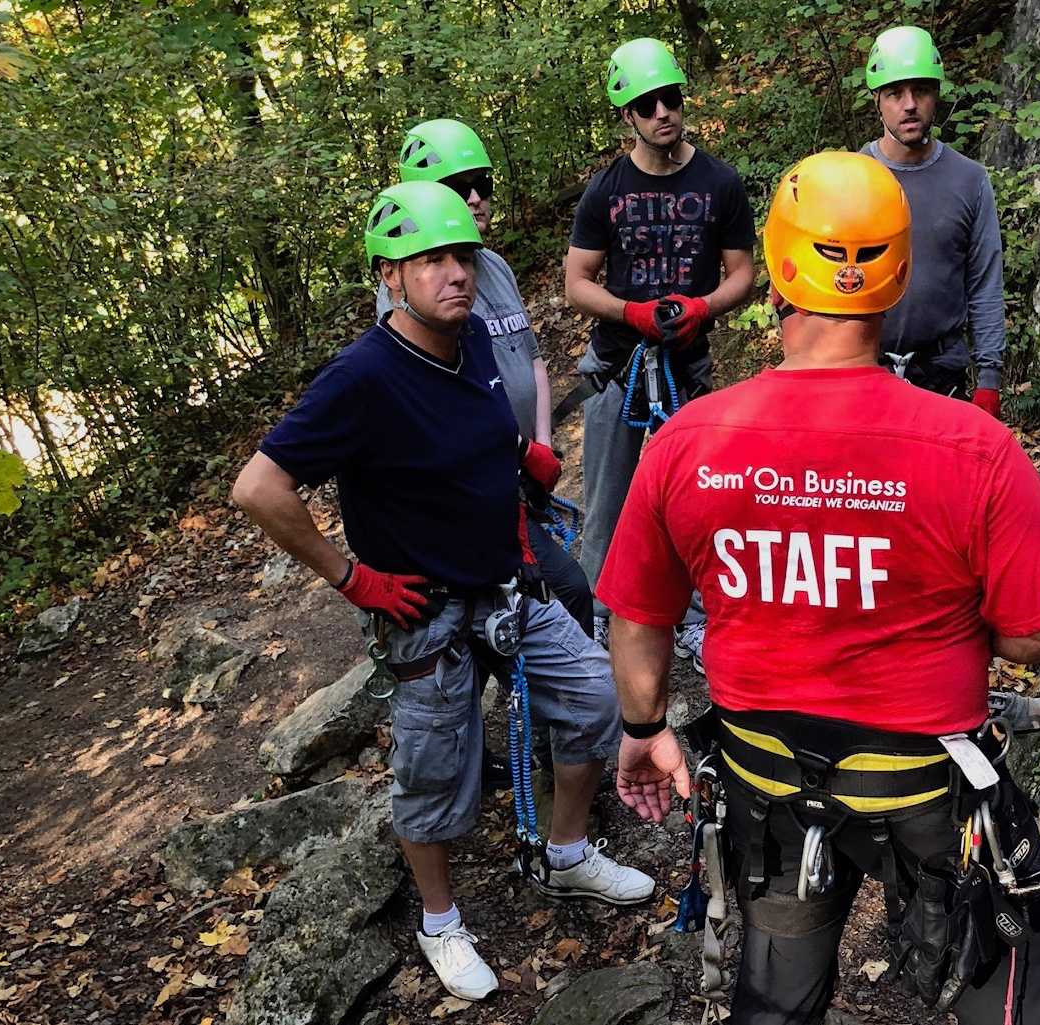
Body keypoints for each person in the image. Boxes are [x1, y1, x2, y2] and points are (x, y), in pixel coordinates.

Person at [596, 152, 1040, 1024]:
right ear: (896, 272)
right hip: (926, 788)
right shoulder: (972, 447)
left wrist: (641, 731)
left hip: (767, 784)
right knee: (1032, 936)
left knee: (777, 986)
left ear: (777, 270)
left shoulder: (687, 441)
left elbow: (639, 613)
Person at [232, 180, 653, 1005]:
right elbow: (258, 487)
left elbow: (461, 445)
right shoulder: (362, 376)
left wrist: (516, 467)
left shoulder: (469, 348)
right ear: (390, 275)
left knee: (599, 697)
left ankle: (564, 851)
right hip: (426, 613)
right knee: (432, 776)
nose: (455, 273)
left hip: (507, 581)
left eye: (462, 256)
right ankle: (439, 919)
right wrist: (352, 577)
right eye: (431, 260)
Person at [564, 36, 756, 662]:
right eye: (646, 105)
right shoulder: (606, 190)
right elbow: (577, 281)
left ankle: (697, 617)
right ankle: (595, 621)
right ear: (628, 116)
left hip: (688, 367)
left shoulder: (719, 182)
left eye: (669, 99)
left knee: (697, 498)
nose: (662, 113)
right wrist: (630, 313)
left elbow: (741, 273)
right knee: (608, 504)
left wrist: (703, 307)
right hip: (619, 365)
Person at [379, 117, 593, 633]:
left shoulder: (492, 266)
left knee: (553, 597)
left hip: (523, 473)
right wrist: (516, 454)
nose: (475, 199)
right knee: (565, 591)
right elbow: (434, 399)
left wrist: (542, 443)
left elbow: (532, 357)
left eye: (483, 185)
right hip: (479, 484)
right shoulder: (409, 292)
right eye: (458, 189)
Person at [859, 25, 1007, 416]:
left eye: (920, 91)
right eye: (895, 93)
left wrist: (989, 379)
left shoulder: (969, 180)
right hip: (864, 371)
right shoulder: (852, 178)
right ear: (878, 101)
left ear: (936, 95)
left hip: (943, 375)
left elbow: (984, 283)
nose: (909, 105)